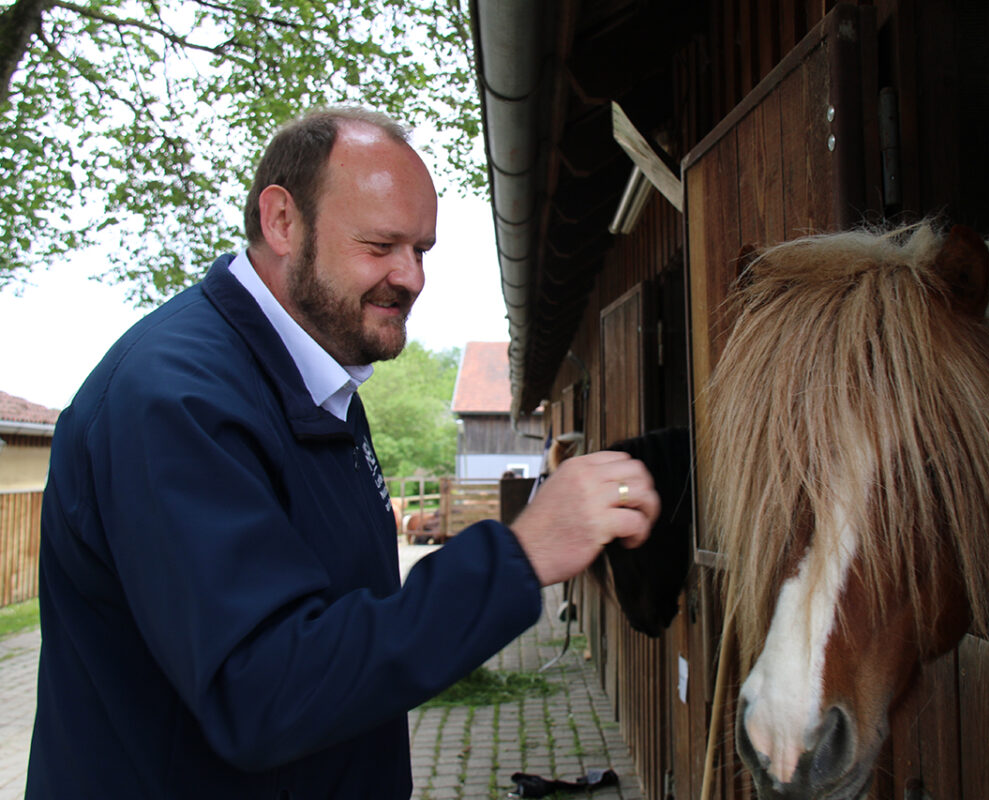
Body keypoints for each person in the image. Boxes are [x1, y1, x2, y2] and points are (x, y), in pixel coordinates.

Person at [26, 106, 659, 799]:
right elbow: (264, 690)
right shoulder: (174, 402)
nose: (411, 277)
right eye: (380, 244)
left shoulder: (318, 382)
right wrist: (521, 555)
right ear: (282, 222)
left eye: (422, 250)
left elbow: (345, 628)